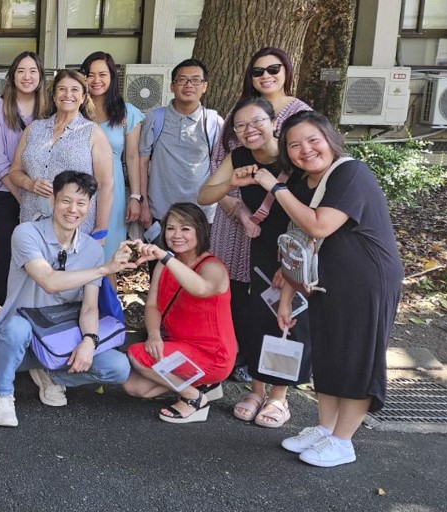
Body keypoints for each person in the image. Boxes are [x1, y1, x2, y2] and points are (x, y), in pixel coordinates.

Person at [257, 111, 403, 467]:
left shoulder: (351, 173)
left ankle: (343, 440)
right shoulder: (303, 184)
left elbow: (318, 226)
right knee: (329, 354)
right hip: (323, 282)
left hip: (367, 281)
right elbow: (295, 242)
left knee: (355, 357)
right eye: (294, 145)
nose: (305, 150)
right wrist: (287, 299)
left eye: (312, 140)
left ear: (330, 139)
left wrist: (274, 188)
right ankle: (325, 429)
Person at [0, 171, 135, 428]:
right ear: (52, 201)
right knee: (16, 328)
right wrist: (104, 270)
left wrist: (89, 341)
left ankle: (53, 375)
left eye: (81, 203)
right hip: (20, 338)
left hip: (59, 338)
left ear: (89, 207)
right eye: (65, 201)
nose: (72, 210)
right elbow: (49, 282)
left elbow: (89, 307)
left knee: (118, 367)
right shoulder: (26, 233)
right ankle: (2, 392)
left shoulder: (91, 250)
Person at [200, 97, 311, 429]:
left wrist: (289, 267)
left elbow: (311, 212)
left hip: (297, 246)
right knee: (260, 317)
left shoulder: (294, 157)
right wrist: (233, 183)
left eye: (257, 122)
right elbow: (205, 196)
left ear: (274, 122)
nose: (250, 131)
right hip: (262, 247)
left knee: (290, 322)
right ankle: (256, 389)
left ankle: (279, 396)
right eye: (241, 125)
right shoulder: (239, 157)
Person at [123, 203, 235, 423]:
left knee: (138, 355)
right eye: (171, 228)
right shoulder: (165, 265)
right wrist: (154, 335)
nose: (176, 235)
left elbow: (200, 288)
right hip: (179, 348)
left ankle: (193, 398)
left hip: (213, 354)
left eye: (185, 229)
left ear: (200, 231)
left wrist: (165, 257)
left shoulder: (212, 266)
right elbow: (153, 306)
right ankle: (205, 385)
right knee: (135, 387)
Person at [9, 69, 113, 234]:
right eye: (62, 89)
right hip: (32, 220)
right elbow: (14, 171)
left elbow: (106, 184)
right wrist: (29, 183)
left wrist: (101, 229)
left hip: (73, 223)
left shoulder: (93, 133)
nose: (68, 94)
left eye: (75, 90)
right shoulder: (34, 128)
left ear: (83, 98)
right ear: (54, 96)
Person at [0, 51, 46, 305]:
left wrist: (34, 194)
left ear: (41, 77)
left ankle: (34, 302)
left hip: (41, 191)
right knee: (10, 248)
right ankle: (5, 302)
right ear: (12, 76)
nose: (27, 77)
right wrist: (23, 196)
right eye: (21, 71)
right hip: (4, 190)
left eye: (33, 71)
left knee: (39, 248)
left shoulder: (49, 107)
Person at [138, 59, 223, 227]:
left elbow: (220, 166)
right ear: (172, 86)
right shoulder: (155, 118)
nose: (189, 85)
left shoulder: (213, 121)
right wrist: (144, 204)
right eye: (182, 80)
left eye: (196, 80)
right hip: (161, 211)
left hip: (202, 213)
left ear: (205, 86)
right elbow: (142, 162)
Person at [82, 51, 146, 264]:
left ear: (112, 77)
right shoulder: (76, 111)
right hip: (78, 186)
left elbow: (133, 157)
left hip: (114, 189)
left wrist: (135, 197)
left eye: (103, 74)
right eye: (90, 75)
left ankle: (107, 297)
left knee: (109, 252)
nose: (96, 80)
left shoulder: (127, 113)